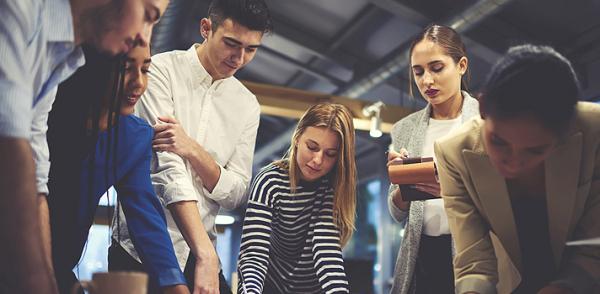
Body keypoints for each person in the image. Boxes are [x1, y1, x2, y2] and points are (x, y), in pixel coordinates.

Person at [0, 0, 169, 292]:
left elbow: (36, 179)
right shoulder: (17, 11)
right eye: (148, 16)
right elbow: (10, 148)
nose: (145, 37)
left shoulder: (64, 58)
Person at [109, 0, 272, 293]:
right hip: (140, 247)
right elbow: (165, 168)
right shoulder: (158, 70)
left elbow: (237, 192)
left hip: (200, 252)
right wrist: (206, 255)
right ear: (206, 28)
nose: (239, 58)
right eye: (232, 43)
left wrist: (193, 150)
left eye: (251, 49)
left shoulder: (247, 105)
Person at [434, 44, 600, 293]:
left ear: (566, 132)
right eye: (499, 141)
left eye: (535, 150)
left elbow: (594, 243)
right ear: (482, 107)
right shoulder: (454, 153)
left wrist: (566, 287)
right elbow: (474, 260)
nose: (512, 161)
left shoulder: (594, 132)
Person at [47, 45, 189, 294]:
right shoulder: (45, 117)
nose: (138, 83)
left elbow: (146, 218)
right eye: (125, 69)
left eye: (145, 69)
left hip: (59, 264)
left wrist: (175, 285)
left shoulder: (133, 136)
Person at [386, 24, 478, 294]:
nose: (426, 80)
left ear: (461, 65)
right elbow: (397, 213)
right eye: (418, 72)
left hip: (475, 255)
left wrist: (451, 191)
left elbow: (505, 201)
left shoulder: (487, 121)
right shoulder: (404, 128)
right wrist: (401, 182)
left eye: (436, 68)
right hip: (420, 256)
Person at [237, 103, 356, 293]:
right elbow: (254, 254)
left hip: (313, 288)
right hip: (270, 285)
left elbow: (326, 251)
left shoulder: (332, 188)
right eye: (312, 147)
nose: (318, 160)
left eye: (330, 154)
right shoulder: (269, 181)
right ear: (298, 138)